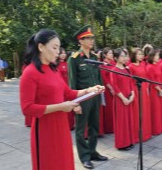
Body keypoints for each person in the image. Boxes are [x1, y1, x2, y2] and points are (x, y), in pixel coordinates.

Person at [19, 29, 104, 170]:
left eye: (59, 47)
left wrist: (89, 90)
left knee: (63, 162)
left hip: (61, 126)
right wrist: (60, 107)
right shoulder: (30, 72)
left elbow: (68, 93)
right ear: (40, 47)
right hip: (45, 130)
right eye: (54, 47)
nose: (58, 51)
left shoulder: (53, 69)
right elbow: (27, 108)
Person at [68, 25, 108, 169]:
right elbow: (72, 83)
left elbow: (98, 77)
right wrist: (75, 103)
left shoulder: (94, 57)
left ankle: (92, 152)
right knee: (80, 129)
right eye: (88, 38)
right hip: (82, 98)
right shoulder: (74, 59)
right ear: (80, 41)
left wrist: (101, 90)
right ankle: (84, 156)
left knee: (94, 126)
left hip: (95, 97)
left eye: (92, 38)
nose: (91, 40)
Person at [111, 48, 136, 150]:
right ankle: (122, 144)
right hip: (120, 99)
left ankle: (129, 141)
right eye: (121, 56)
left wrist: (133, 94)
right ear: (116, 58)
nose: (124, 58)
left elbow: (131, 82)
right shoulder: (113, 70)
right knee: (122, 122)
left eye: (124, 56)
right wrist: (123, 98)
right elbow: (115, 86)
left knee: (129, 119)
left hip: (128, 96)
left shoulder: (127, 69)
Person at [129, 48, 152, 142]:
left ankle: (146, 134)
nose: (141, 56)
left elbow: (146, 77)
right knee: (138, 112)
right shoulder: (130, 66)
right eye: (139, 54)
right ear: (134, 55)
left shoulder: (143, 64)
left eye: (142, 54)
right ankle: (137, 136)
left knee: (145, 111)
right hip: (136, 89)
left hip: (144, 88)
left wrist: (147, 87)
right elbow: (130, 81)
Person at [146, 49, 162, 135]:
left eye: (158, 55)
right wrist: (160, 89)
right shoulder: (149, 67)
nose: (158, 57)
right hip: (154, 90)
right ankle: (155, 129)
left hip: (160, 88)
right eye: (156, 55)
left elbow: (161, 77)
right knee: (155, 109)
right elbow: (152, 81)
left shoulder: (157, 65)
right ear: (152, 56)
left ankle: (160, 127)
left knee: (160, 109)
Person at [58, 47, 75, 130]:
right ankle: (65, 124)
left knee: (70, 104)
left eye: (64, 53)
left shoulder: (67, 63)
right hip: (61, 87)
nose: (63, 55)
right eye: (61, 53)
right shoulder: (56, 65)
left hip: (69, 86)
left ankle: (71, 124)